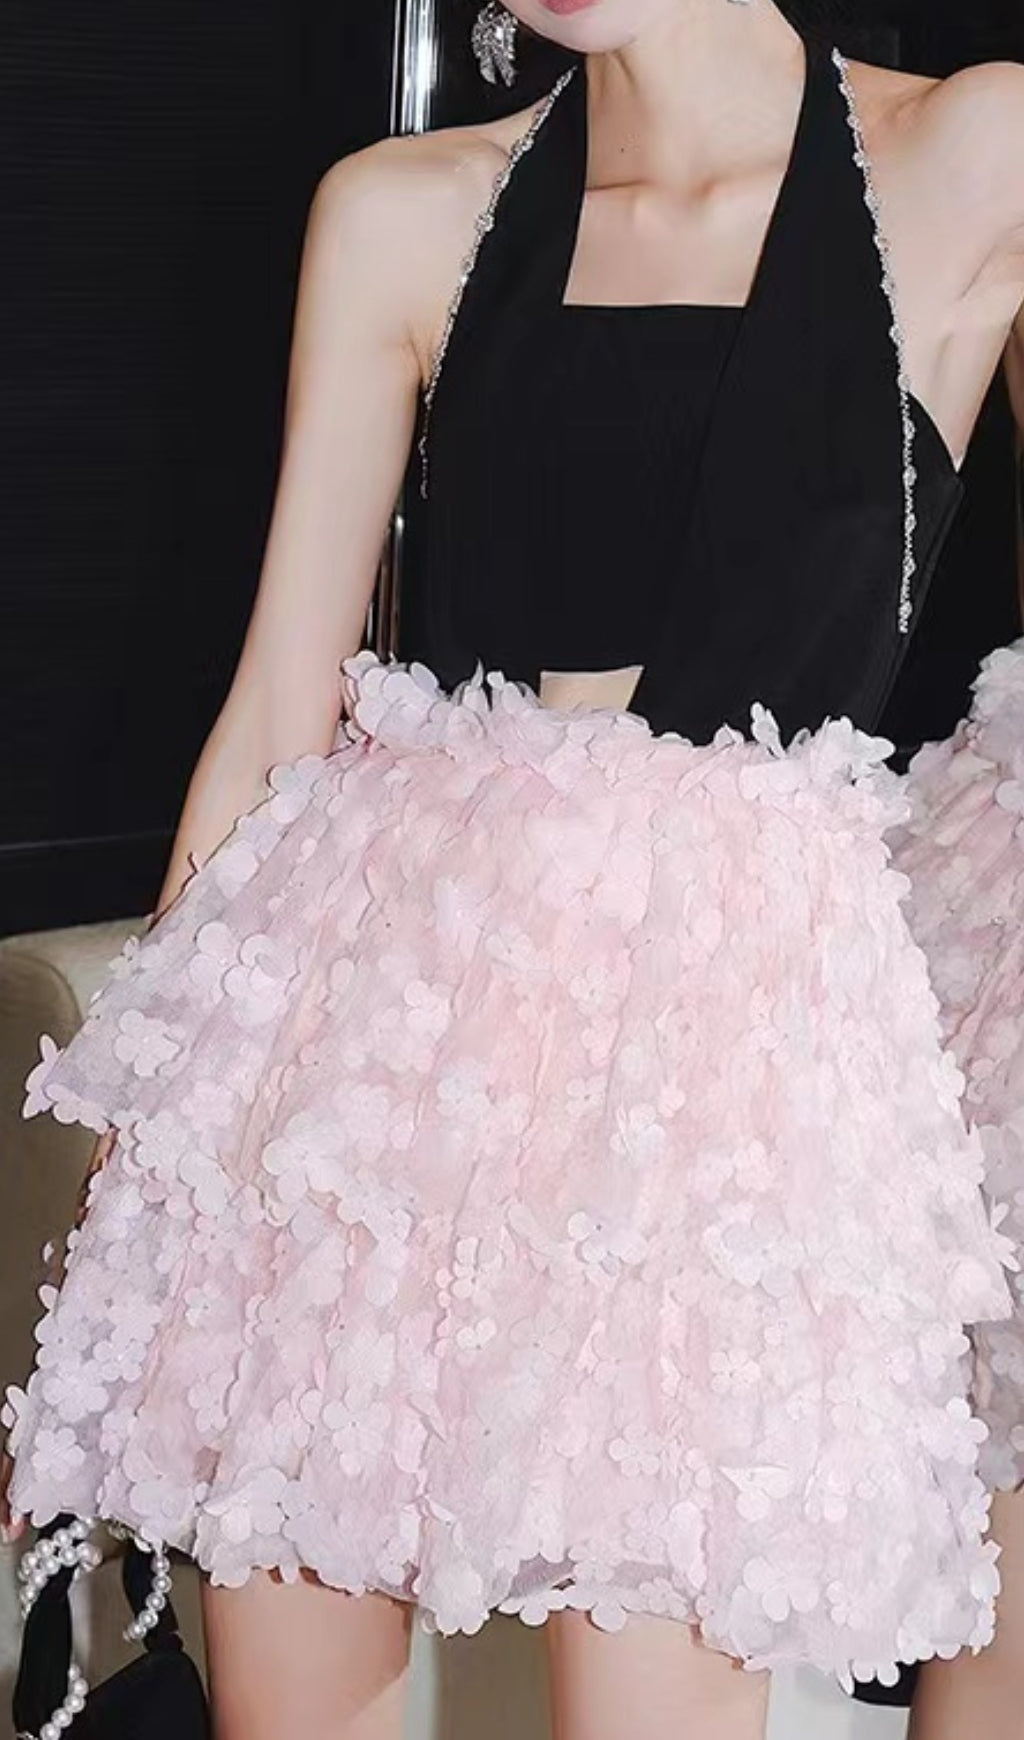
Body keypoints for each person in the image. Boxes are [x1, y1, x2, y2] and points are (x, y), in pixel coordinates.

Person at [4, 2, 1024, 1737]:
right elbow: (278, 713)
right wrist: (152, 1171)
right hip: (365, 1084)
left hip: (702, 1121)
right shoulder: (402, 209)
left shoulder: (972, 153)